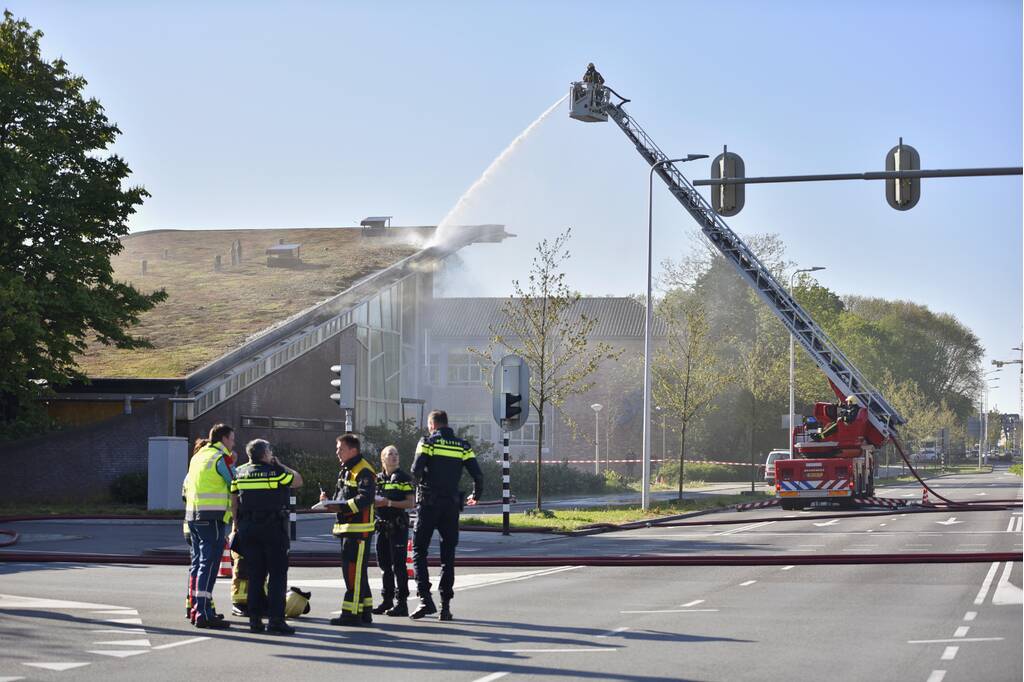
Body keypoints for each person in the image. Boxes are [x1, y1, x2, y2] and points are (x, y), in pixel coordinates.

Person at [410, 410, 483, 621]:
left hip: (428, 503)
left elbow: (416, 469)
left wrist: (418, 485)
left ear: (432, 425)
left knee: (419, 550)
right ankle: (445, 606)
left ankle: (425, 598)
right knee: (447, 556)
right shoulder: (463, 446)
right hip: (451, 506)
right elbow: (477, 474)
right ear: (446, 424)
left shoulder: (427, 442)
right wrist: (475, 495)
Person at [230, 439, 303, 635]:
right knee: (277, 576)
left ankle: (255, 621)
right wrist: (280, 464)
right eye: (270, 451)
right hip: (272, 529)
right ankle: (276, 621)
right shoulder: (276, 471)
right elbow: (298, 480)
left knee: (255, 576)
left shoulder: (240, 472)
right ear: (265, 454)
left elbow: (234, 500)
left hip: (248, 529)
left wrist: (236, 525)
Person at [321, 434, 377, 626]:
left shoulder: (364, 471)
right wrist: (329, 501)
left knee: (352, 572)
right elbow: (343, 495)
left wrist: (341, 507)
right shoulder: (347, 469)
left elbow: (365, 498)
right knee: (357, 572)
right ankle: (365, 611)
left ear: (353, 450)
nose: (337, 452)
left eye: (341, 449)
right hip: (349, 528)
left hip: (359, 530)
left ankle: (351, 615)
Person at [183, 424, 235, 629]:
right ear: (223, 439)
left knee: (197, 564)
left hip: (192, 517)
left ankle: (195, 608)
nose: (233, 443)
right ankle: (203, 613)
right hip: (212, 517)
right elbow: (235, 482)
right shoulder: (220, 458)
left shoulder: (198, 456)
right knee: (209, 564)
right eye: (232, 439)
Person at [371, 445, 415, 617]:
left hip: (397, 526)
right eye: (390, 454)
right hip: (381, 526)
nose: (394, 457)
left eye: (396, 454)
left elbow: (410, 503)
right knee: (383, 565)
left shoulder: (404, 478)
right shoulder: (377, 479)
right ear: (383, 458)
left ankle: (402, 603)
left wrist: (388, 503)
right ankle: (387, 599)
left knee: (399, 566)